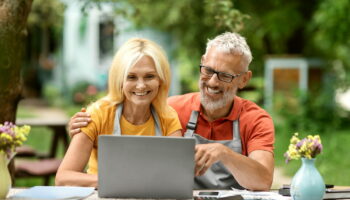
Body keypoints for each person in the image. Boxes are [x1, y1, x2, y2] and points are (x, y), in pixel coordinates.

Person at [68, 32, 274, 191]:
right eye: (208, 70)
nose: (212, 82)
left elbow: (263, 181)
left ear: (244, 79)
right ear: (202, 62)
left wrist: (224, 153)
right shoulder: (171, 109)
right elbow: (131, 108)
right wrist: (84, 128)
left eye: (225, 76)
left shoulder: (255, 120)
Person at [55, 38, 182, 187]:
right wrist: (115, 181)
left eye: (149, 76)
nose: (141, 85)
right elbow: (63, 179)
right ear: (119, 80)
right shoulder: (97, 114)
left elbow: (177, 176)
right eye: (131, 77)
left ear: (161, 80)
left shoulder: (167, 117)